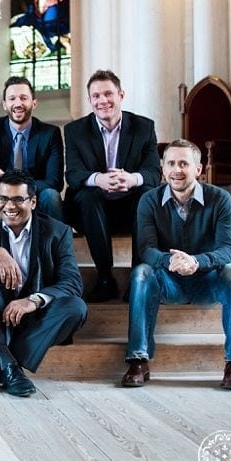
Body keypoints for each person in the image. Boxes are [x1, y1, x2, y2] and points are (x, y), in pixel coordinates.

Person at [121, 139, 231, 390]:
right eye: (171, 163)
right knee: (141, 273)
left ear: (198, 170)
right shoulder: (149, 200)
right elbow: (146, 249)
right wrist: (172, 261)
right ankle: (138, 359)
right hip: (169, 282)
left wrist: (196, 262)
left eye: (184, 163)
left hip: (207, 282)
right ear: (163, 169)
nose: (176, 170)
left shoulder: (220, 199)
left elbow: (229, 250)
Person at [0, 170, 87, 397]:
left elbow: (72, 282)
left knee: (76, 307)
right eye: (3, 199)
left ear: (32, 202)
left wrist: (33, 301)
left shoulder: (57, 231)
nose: (9, 206)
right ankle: (9, 365)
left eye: (17, 199)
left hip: (32, 317)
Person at [64, 69, 160, 302]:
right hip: (92, 211)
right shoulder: (75, 130)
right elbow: (73, 174)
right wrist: (99, 179)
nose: (102, 100)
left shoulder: (143, 127)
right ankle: (105, 277)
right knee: (87, 194)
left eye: (108, 94)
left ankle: (138, 277)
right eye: (96, 96)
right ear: (90, 100)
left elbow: (154, 172)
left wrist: (131, 178)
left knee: (146, 193)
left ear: (121, 95)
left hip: (130, 207)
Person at [0, 76, 64, 221]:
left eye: (24, 98)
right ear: (4, 104)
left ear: (34, 103)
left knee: (51, 195)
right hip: (0, 193)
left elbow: (55, 181)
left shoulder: (50, 133)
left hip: (33, 195)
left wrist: (20, 190)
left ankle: (54, 242)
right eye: (12, 98)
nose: (18, 103)